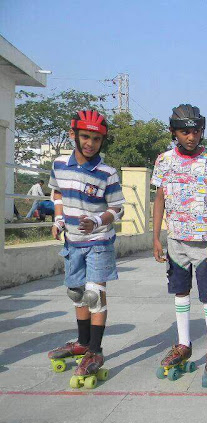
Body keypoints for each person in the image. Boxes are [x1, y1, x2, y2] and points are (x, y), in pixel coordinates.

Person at [47, 110, 124, 388]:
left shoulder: (107, 173)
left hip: (99, 241)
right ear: (73, 136)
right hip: (72, 241)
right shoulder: (58, 164)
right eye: (85, 137)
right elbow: (56, 192)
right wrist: (57, 219)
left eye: (96, 138)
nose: (90, 143)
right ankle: (82, 343)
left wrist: (97, 219)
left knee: (95, 294)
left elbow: (117, 209)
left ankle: (95, 350)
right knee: (76, 292)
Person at [152, 104, 207, 387]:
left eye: (195, 131)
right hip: (176, 241)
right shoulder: (164, 160)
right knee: (180, 292)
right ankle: (184, 344)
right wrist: (156, 236)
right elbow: (159, 198)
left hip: (204, 241)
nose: (191, 137)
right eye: (185, 132)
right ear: (174, 132)